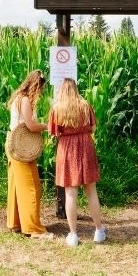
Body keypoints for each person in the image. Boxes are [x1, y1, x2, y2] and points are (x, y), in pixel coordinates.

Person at [48, 77, 106, 247]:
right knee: (91, 191)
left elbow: (53, 132)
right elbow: (93, 128)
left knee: (70, 193)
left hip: (66, 148)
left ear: (62, 90)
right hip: (86, 146)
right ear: (75, 89)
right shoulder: (85, 106)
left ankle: (73, 235)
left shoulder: (57, 109)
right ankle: (99, 231)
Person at [6, 69, 53, 240]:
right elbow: (31, 126)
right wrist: (48, 126)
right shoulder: (25, 100)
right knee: (31, 187)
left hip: (13, 145)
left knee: (16, 185)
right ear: (35, 86)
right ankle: (33, 229)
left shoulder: (18, 98)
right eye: (40, 88)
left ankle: (16, 223)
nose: (41, 92)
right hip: (21, 149)